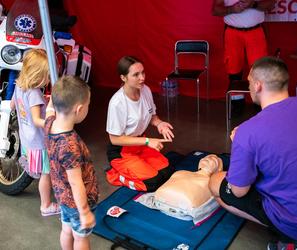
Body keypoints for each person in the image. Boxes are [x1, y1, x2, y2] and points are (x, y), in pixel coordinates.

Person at [208, 56, 297, 249]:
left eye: (249, 81)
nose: (249, 87)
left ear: (257, 86)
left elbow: (239, 191)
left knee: (216, 182)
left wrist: (239, 145)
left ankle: (285, 238)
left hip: (293, 221)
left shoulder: (247, 132)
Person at [45, 75, 99, 250]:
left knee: (66, 230)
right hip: (77, 204)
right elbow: (76, 183)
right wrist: (84, 212)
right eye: (88, 106)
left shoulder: (50, 123)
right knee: (80, 238)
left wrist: (53, 99)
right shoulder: (69, 145)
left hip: (62, 196)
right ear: (79, 109)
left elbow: (49, 110)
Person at [106, 56, 174, 192]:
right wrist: (148, 141)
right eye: (136, 75)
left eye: (143, 72)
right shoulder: (117, 103)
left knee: (167, 173)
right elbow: (114, 139)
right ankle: (116, 175)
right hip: (122, 151)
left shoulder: (145, 90)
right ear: (123, 78)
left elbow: (152, 115)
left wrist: (159, 123)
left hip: (140, 145)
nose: (142, 78)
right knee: (152, 183)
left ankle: (137, 166)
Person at [11, 49, 60, 216]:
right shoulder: (34, 94)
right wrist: (51, 118)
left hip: (27, 139)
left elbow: (13, 106)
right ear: (36, 76)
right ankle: (46, 205)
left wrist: (43, 103)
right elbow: (37, 120)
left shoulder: (19, 86)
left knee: (42, 171)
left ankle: (34, 169)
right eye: (46, 77)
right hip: (39, 143)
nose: (47, 80)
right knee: (46, 175)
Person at [212, 0, 275, 114]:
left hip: (255, 31)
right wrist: (232, 9)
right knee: (233, 70)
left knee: (260, 71)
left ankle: (259, 104)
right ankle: (237, 104)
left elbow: (271, 4)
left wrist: (253, 4)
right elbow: (215, 10)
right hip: (232, 32)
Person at [153, 154, 223, 223]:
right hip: (161, 198)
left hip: (185, 206)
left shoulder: (210, 182)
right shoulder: (181, 172)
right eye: (206, 158)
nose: (208, 159)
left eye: (213, 160)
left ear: (218, 169)